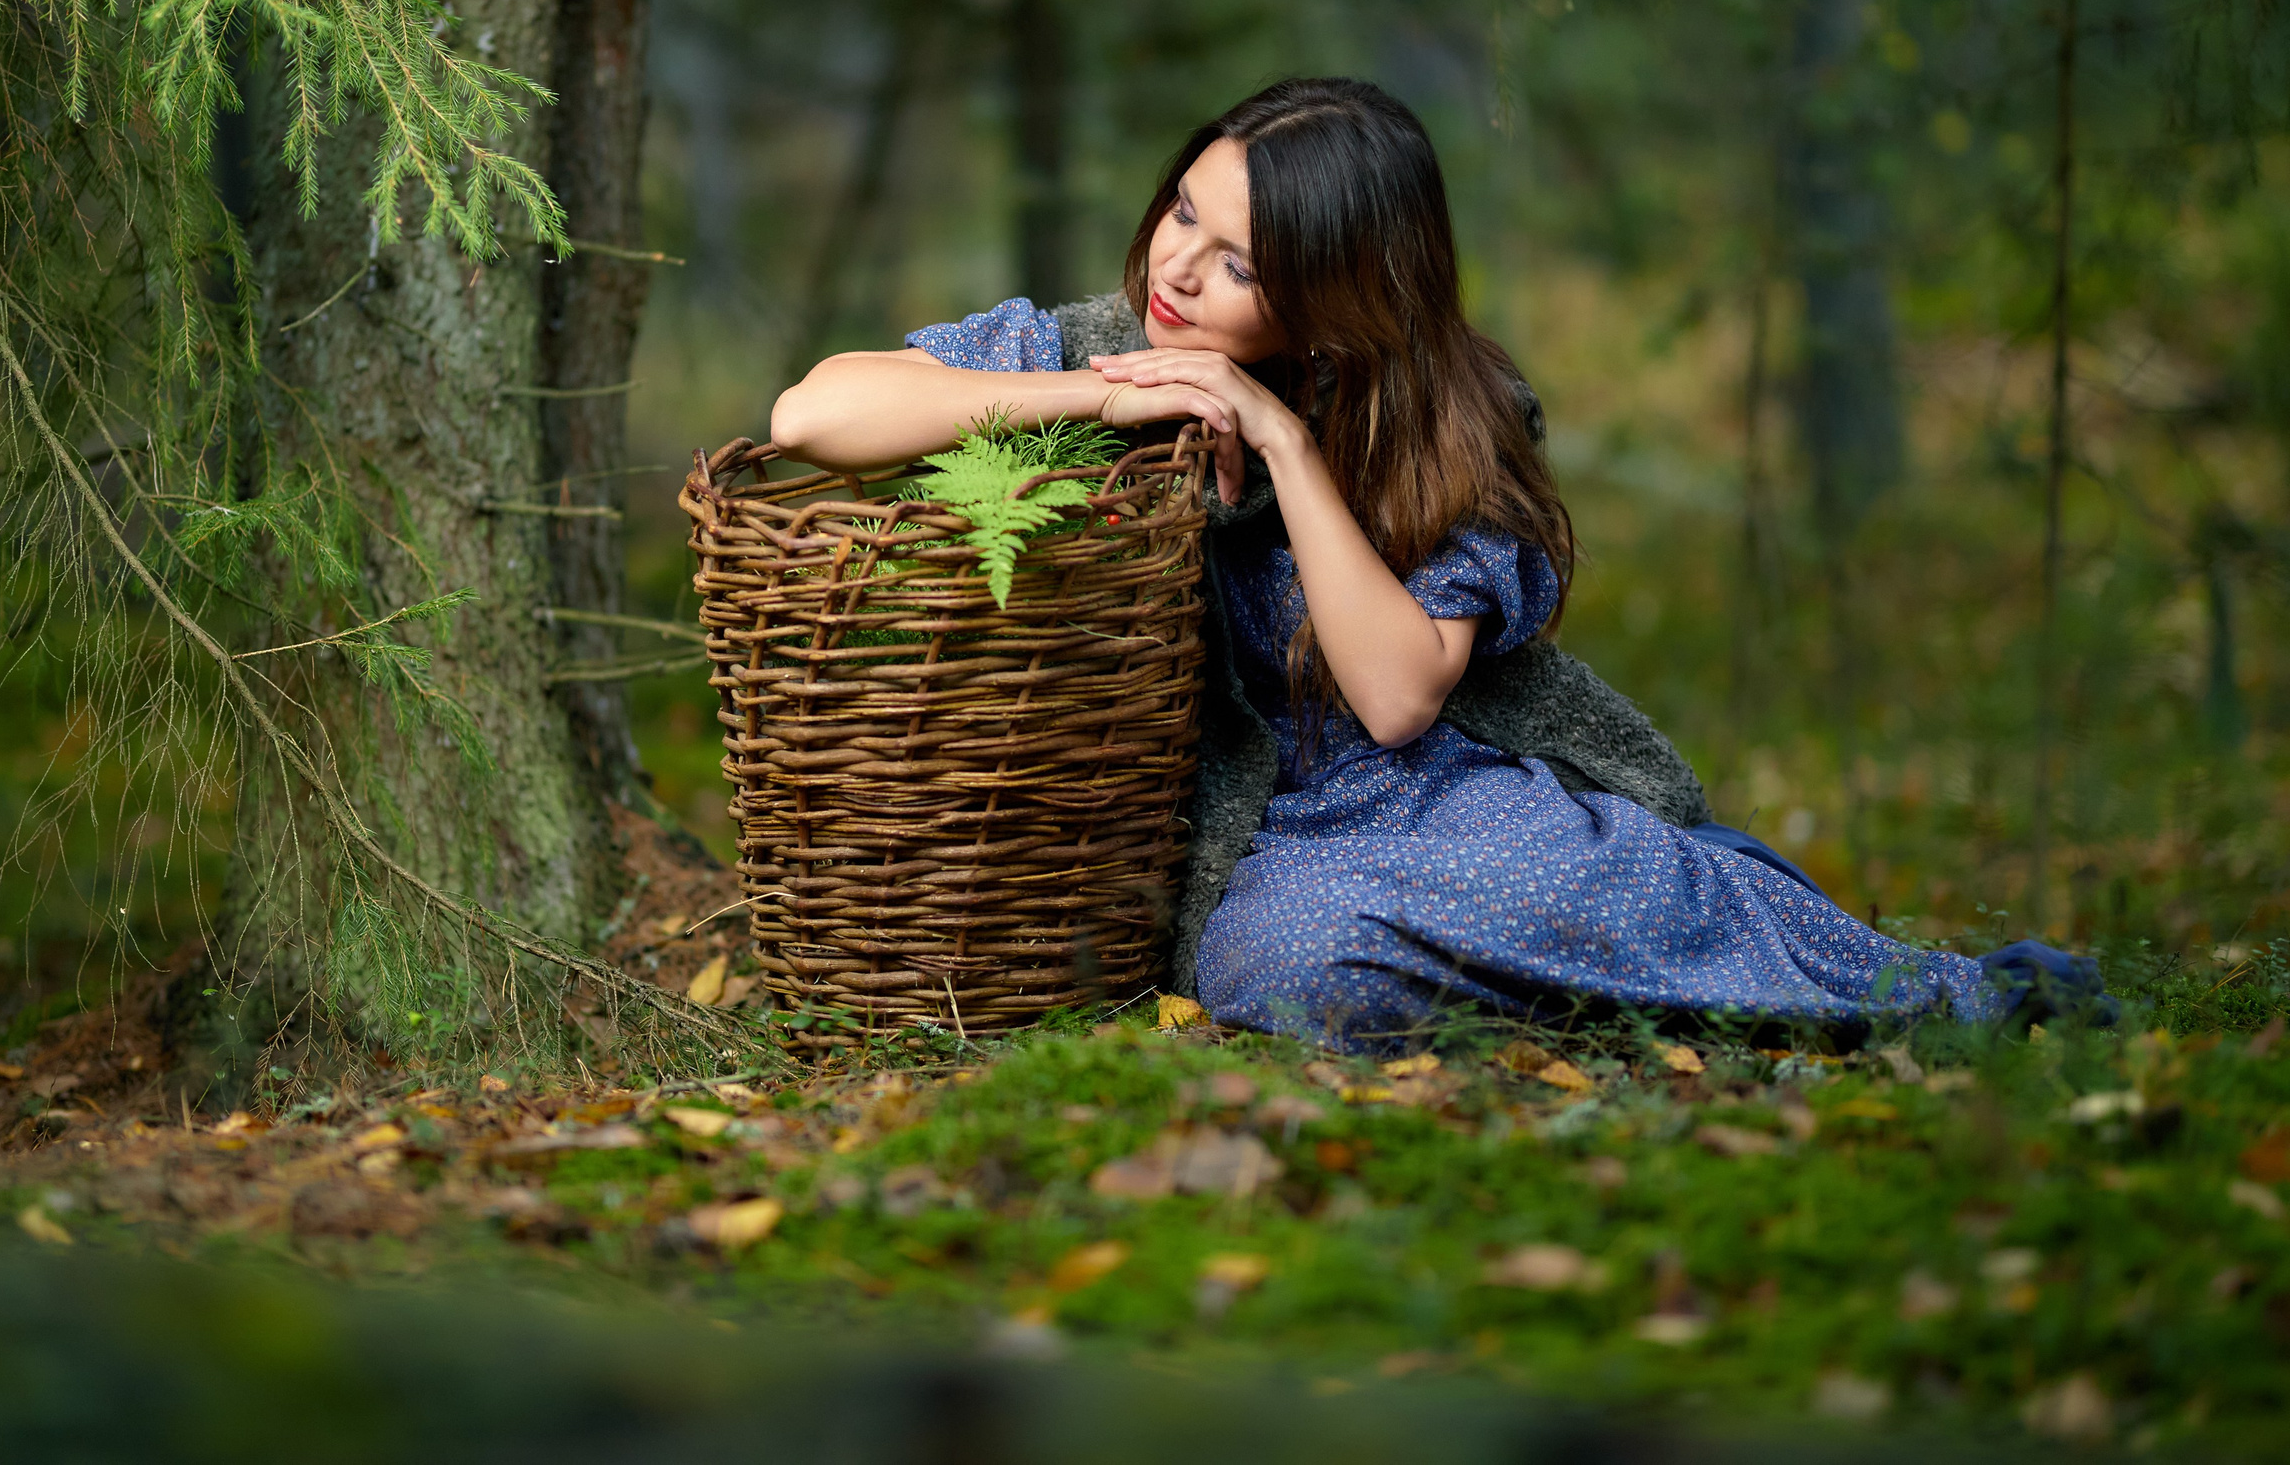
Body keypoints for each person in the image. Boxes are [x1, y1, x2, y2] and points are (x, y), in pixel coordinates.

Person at [771, 77, 2106, 1049]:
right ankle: (1606, 994)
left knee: (1563, 880)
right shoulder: (1102, 339)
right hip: (1254, 835)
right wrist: (1099, 401)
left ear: (1339, 286)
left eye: (1242, 262)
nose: (1179, 267)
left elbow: (1399, 698)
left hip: (1432, 790)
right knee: (1283, 968)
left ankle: (1911, 995)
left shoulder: (1446, 419)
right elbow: (813, 416)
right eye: (1186, 212)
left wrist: (1288, 451)